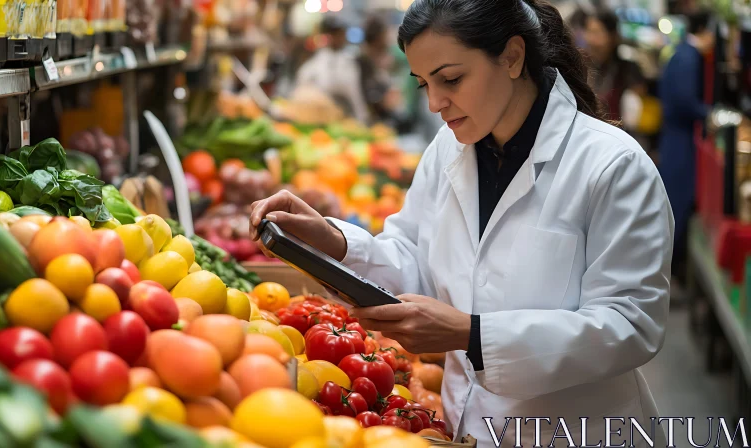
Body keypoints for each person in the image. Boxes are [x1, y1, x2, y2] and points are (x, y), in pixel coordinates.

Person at [251, 0, 672, 445]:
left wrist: (472, 335)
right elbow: (415, 261)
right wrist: (333, 242)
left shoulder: (613, 166)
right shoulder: (449, 150)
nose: (435, 102)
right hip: (464, 427)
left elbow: (631, 324)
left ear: (512, 57)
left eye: (451, 79)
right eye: (423, 84)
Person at [658, 10, 713, 285]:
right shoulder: (689, 58)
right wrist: (710, 114)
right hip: (680, 140)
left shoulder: (680, 52)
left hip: (674, 137)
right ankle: (666, 273)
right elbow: (685, 101)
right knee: (678, 202)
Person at [295, 16, 370, 124]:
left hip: (348, 120)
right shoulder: (313, 65)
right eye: (336, 34)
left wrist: (362, 119)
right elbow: (301, 94)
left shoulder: (350, 61)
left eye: (342, 34)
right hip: (320, 121)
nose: (340, 38)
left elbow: (356, 96)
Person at [584, 9, 646, 122]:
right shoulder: (581, 66)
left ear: (613, 36)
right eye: (589, 32)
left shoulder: (627, 70)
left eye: (597, 33)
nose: (591, 40)